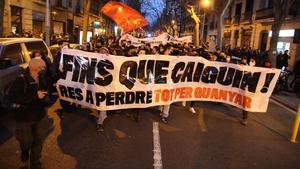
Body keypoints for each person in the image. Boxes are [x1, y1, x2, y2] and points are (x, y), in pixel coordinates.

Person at [7, 58, 51, 169]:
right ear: (37, 68)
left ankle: (35, 164)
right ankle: (25, 150)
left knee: (39, 140)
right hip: (25, 118)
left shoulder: (41, 77)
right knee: (26, 142)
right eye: (43, 67)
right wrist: (35, 96)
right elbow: (13, 97)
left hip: (39, 115)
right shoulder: (20, 80)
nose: (45, 69)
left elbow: (45, 89)